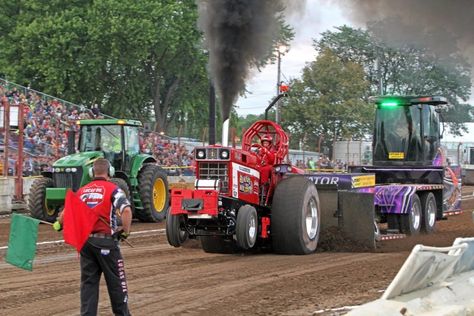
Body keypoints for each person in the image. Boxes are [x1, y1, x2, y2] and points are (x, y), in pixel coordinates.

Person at [54, 158, 132, 316]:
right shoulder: (114, 189)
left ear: (91, 173)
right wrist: (125, 231)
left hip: (86, 243)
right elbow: (126, 211)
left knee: (88, 283)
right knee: (117, 283)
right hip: (106, 243)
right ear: (109, 172)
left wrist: (58, 224)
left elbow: (66, 213)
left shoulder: (82, 190)